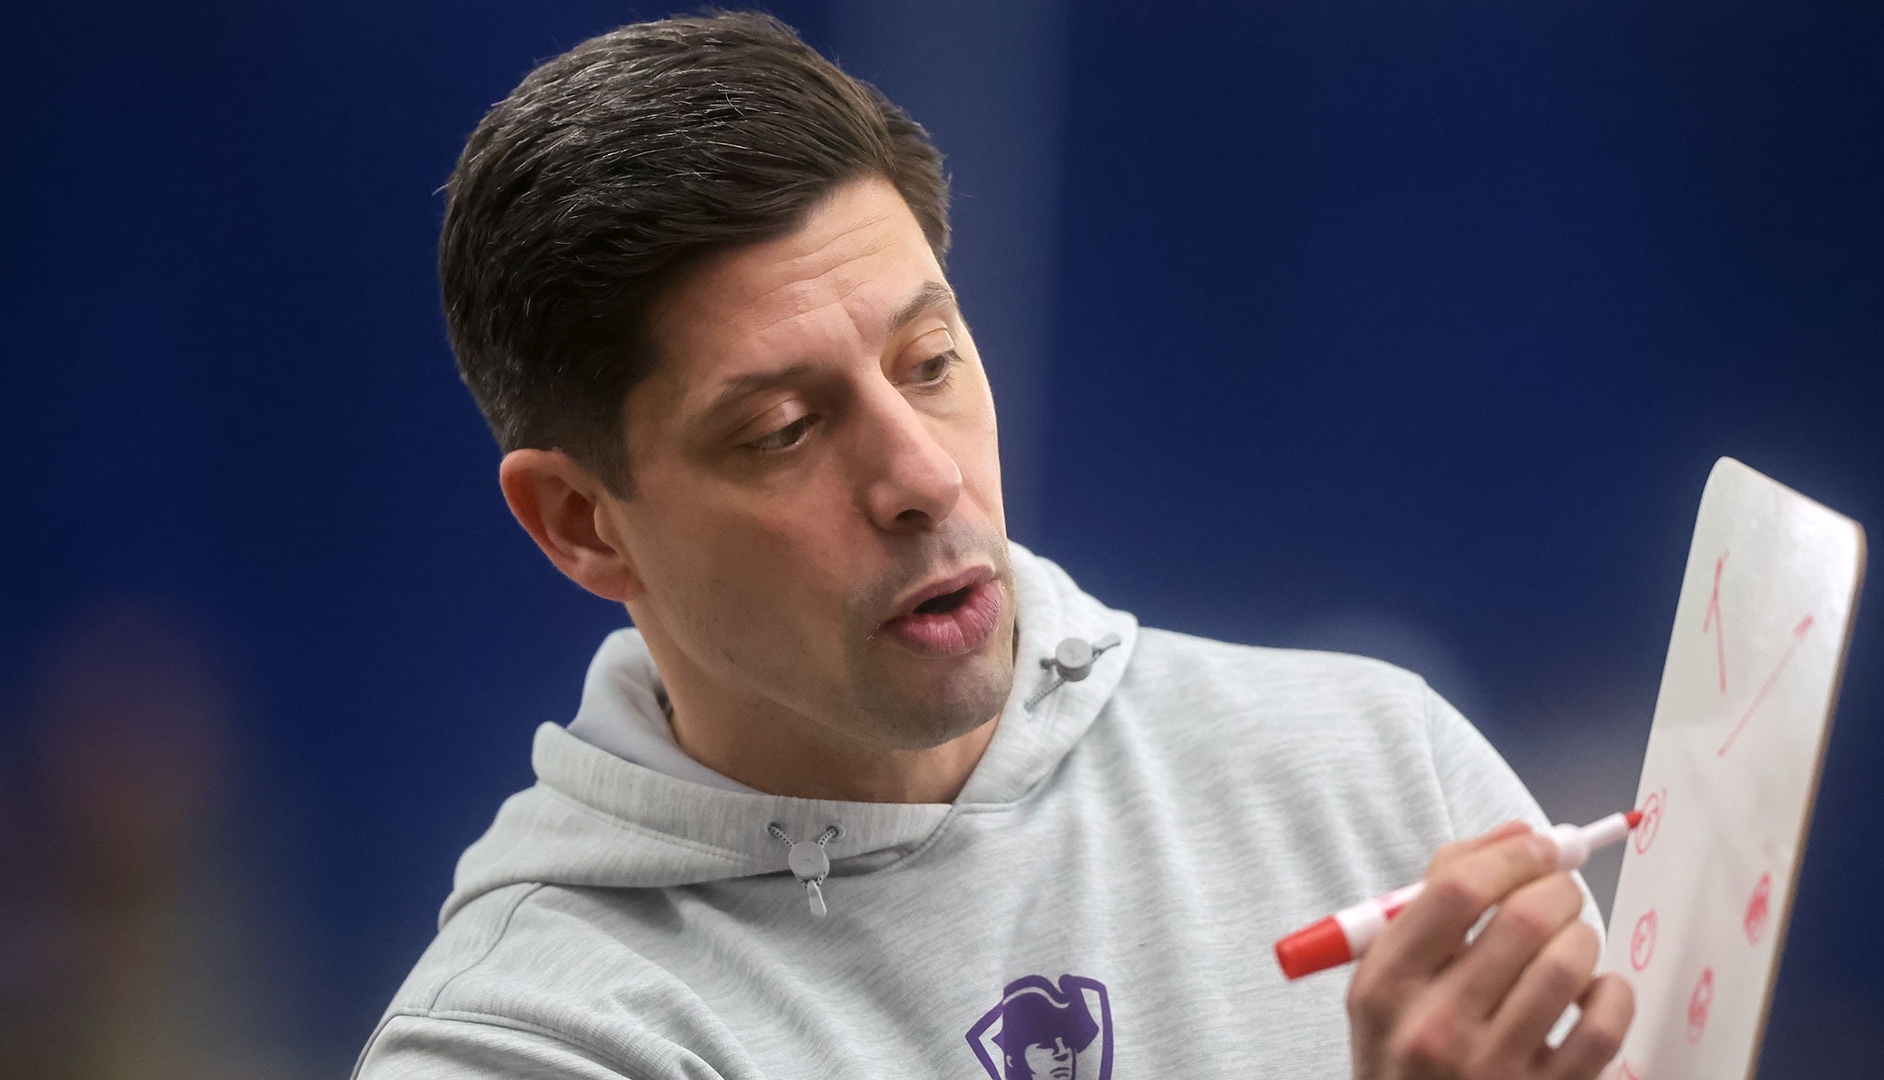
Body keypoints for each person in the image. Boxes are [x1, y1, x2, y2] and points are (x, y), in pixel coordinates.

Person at [353, 12, 1634, 1079]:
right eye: (786, 430)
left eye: (930, 362)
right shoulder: (528, 1041)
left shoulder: (1375, 773)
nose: (923, 474)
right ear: (581, 524)